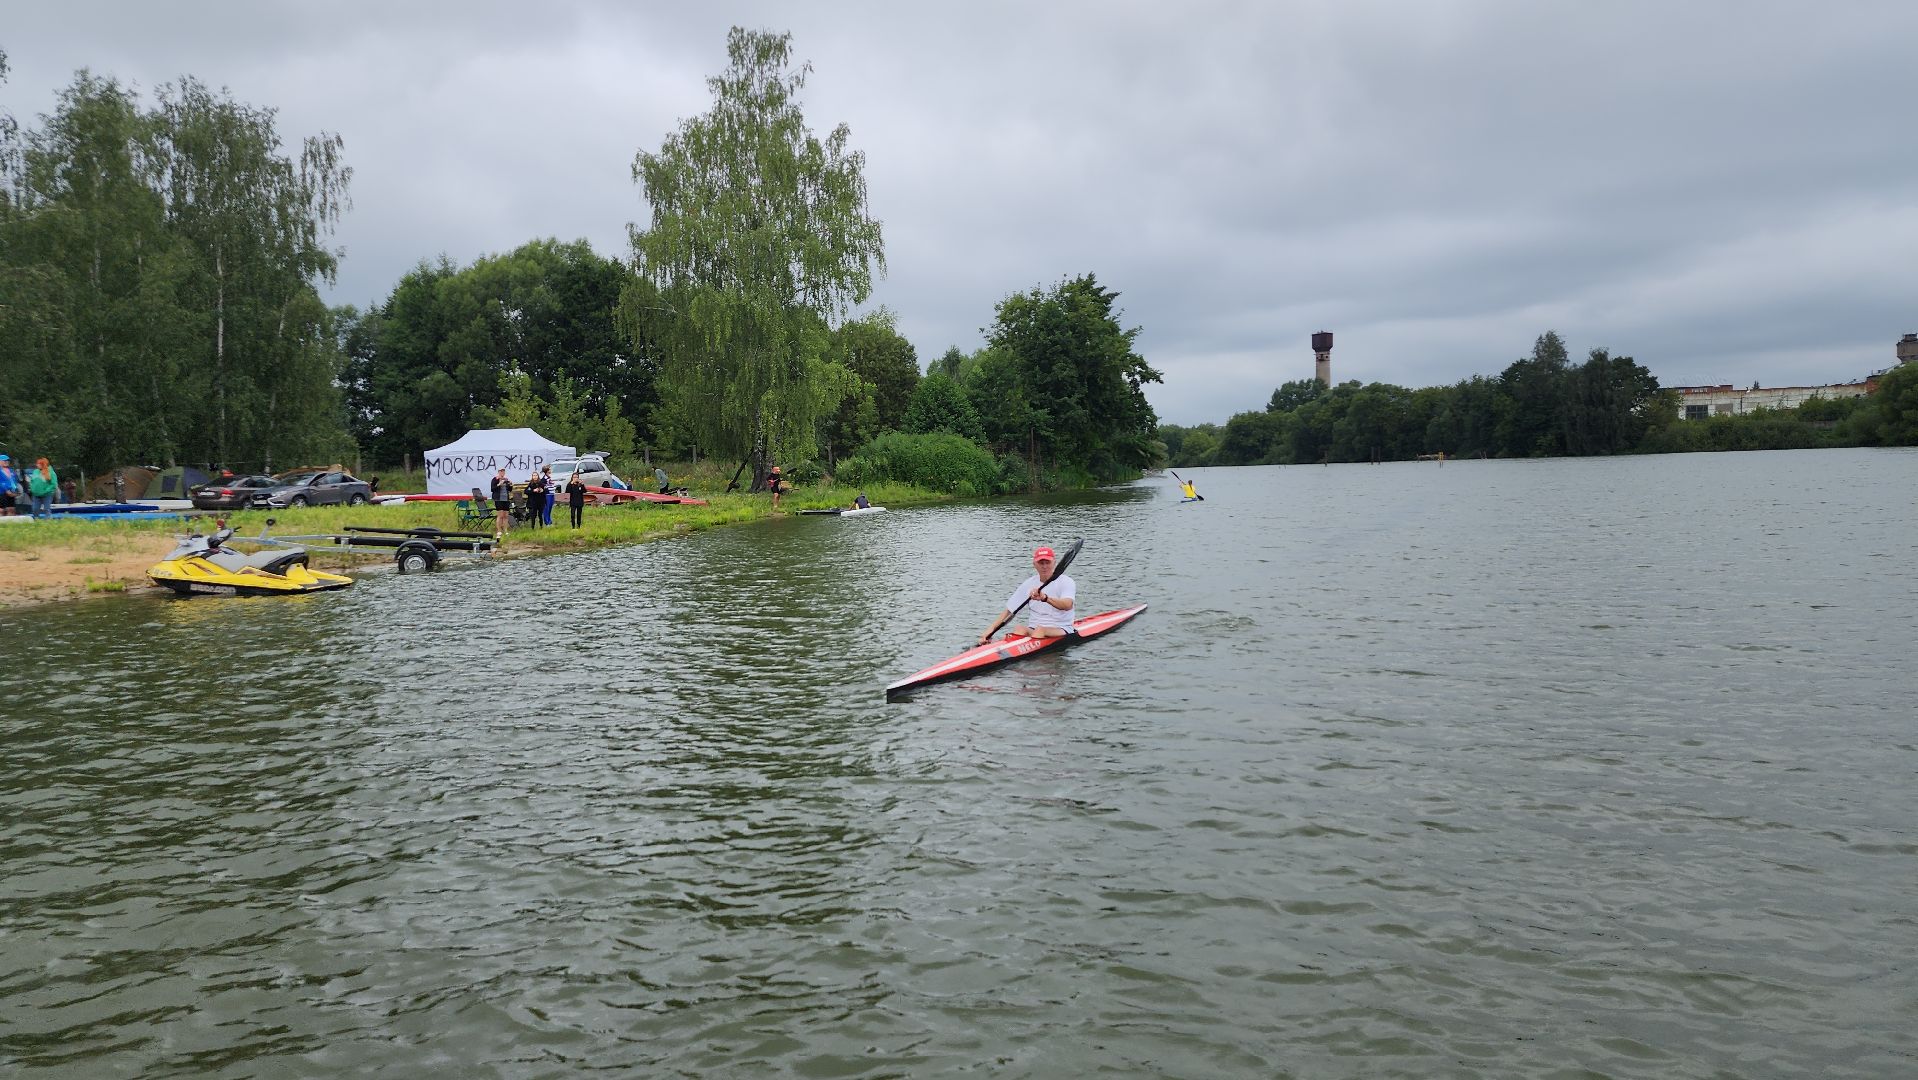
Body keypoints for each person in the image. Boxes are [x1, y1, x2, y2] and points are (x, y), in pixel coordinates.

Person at [978, 545, 1076, 645]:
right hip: (1034, 629)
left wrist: (1045, 598)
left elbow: (1067, 605)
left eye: (1047, 562)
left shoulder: (1066, 581)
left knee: (1040, 630)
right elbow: (1009, 611)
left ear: (1054, 562)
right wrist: (990, 630)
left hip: (1061, 628)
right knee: (1019, 628)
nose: (1044, 566)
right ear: (1034, 564)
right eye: (1041, 563)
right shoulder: (1029, 584)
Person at [490, 468, 514, 537]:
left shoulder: (506, 479)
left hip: (506, 499)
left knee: (506, 516)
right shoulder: (495, 479)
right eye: (501, 471)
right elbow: (492, 489)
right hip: (498, 499)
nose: (502, 472)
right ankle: (499, 531)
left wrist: (511, 485)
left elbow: (509, 489)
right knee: (500, 515)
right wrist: (499, 484)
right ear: (498, 472)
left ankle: (505, 531)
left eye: (503, 471)